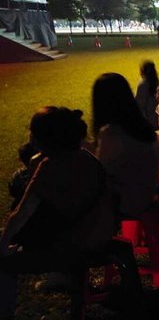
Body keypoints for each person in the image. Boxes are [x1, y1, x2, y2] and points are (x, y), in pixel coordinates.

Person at [0, 108, 116, 317]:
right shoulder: (86, 158)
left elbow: (20, 215)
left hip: (75, 244)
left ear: (42, 139)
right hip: (100, 234)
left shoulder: (51, 167)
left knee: (3, 262)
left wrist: (3, 244)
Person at [93, 73, 159, 219]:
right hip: (149, 191)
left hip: (129, 201)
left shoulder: (112, 133)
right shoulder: (143, 126)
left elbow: (100, 172)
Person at [135, 61, 159, 129]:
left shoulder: (143, 84)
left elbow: (139, 105)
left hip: (149, 121)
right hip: (158, 120)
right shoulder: (158, 83)